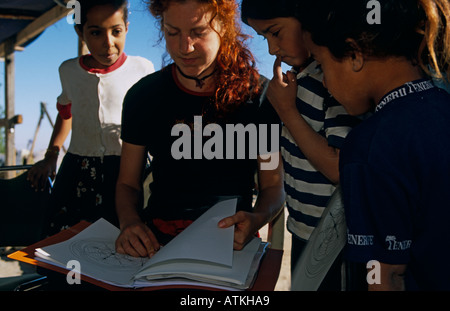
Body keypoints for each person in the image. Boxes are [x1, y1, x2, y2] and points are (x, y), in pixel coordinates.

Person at [114, 0, 285, 258]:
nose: (185, 47)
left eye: (198, 32)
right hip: (158, 245)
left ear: (224, 28)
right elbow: (128, 183)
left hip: (232, 246)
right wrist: (129, 222)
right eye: (173, 32)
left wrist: (257, 218)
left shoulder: (260, 97)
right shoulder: (143, 96)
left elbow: (273, 186)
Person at [299, 0, 450, 290]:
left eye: (321, 65)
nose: (325, 83)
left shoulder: (368, 147)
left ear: (354, 54)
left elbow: (385, 277)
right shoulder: (441, 109)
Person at [241, 0, 360, 290]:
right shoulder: (297, 81)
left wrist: (287, 112)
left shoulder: (333, 78)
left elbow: (339, 168)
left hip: (337, 241)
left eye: (276, 32)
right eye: (263, 38)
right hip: (302, 230)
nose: (271, 49)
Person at [27, 0, 155, 235]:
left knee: (124, 241)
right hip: (78, 172)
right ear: (80, 32)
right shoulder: (68, 71)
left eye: (116, 31)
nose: (108, 43)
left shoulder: (143, 69)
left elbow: (153, 122)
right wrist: (51, 156)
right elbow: (66, 114)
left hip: (127, 171)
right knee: (67, 241)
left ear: (127, 27)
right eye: (96, 32)